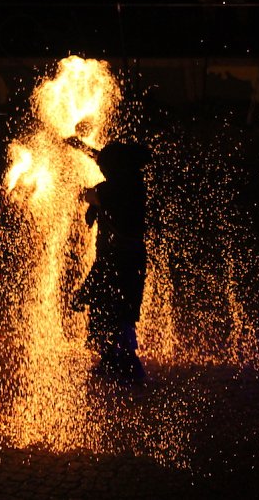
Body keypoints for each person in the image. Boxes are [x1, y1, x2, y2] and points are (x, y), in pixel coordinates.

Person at [72, 140, 151, 382]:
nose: (101, 168)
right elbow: (104, 158)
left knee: (114, 310)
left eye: (105, 165)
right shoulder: (132, 181)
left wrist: (67, 186)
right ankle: (112, 362)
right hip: (126, 258)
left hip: (118, 260)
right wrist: (79, 146)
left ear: (114, 166)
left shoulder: (116, 190)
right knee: (110, 309)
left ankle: (129, 366)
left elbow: (89, 195)